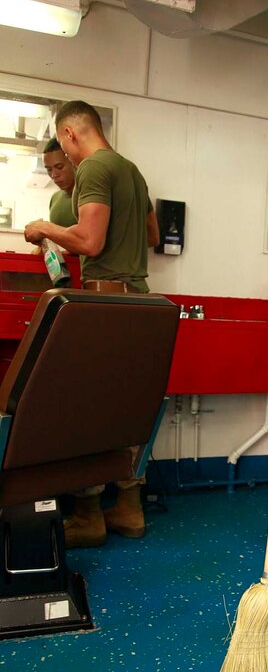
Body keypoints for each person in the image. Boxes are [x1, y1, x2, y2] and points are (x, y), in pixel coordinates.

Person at [24, 100, 160, 550]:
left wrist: (44, 227)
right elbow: (152, 237)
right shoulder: (132, 171)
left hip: (106, 301)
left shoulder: (93, 169)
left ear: (69, 134)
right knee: (126, 407)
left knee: (85, 407)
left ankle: (88, 515)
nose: (65, 158)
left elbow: (90, 240)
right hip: (138, 300)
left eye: (63, 149)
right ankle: (129, 509)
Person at [43, 137, 77, 226]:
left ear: (73, 162)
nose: (54, 175)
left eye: (59, 167)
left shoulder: (88, 196)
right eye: (49, 169)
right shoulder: (55, 198)